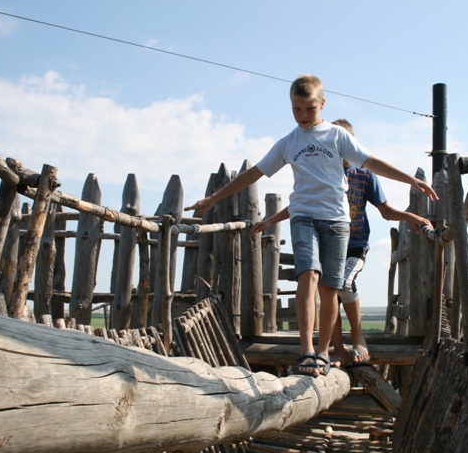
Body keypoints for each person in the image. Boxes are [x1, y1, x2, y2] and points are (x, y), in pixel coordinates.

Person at [185, 74, 438, 377]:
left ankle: (323, 351)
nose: (303, 116)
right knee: (308, 275)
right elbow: (254, 174)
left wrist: (410, 179)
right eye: (297, 109)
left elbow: (370, 162)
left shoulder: (336, 136)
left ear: (322, 104)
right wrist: (214, 198)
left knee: (330, 289)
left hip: (337, 221)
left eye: (310, 109)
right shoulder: (289, 142)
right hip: (304, 216)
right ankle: (306, 351)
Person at [250, 118, 433, 368]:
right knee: (330, 292)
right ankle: (336, 351)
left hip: (355, 243)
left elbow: (386, 210)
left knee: (345, 284)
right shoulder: (324, 169)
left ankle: (358, 335)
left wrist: (408, 215)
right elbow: (300, 205)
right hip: (330, 242)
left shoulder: (365, 174)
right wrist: (270, 220)